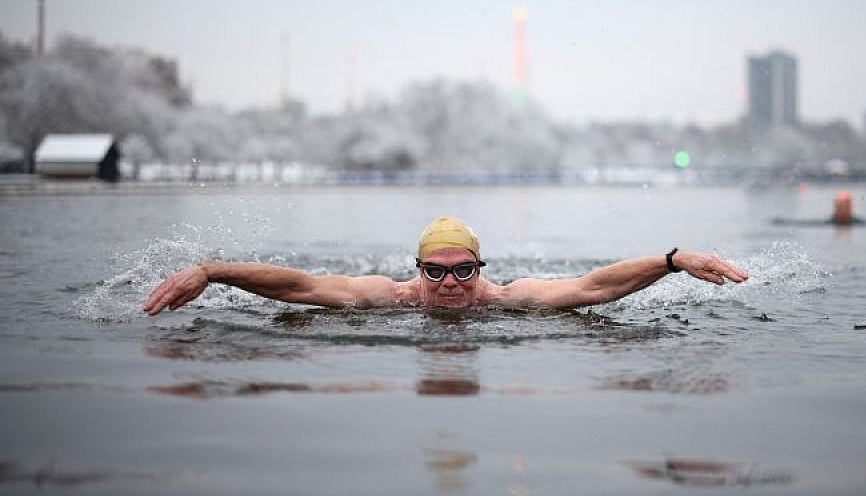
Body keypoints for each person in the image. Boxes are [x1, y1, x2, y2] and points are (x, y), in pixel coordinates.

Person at [143, 215, 749, 315]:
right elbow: (300, 285)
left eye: (464, 269)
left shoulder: (511, 298)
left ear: (482, 268)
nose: (452, 282)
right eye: (437, 271)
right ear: (418, 270)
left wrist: (674, 260)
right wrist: (212, 269)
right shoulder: (383, 296)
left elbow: (592, 286)